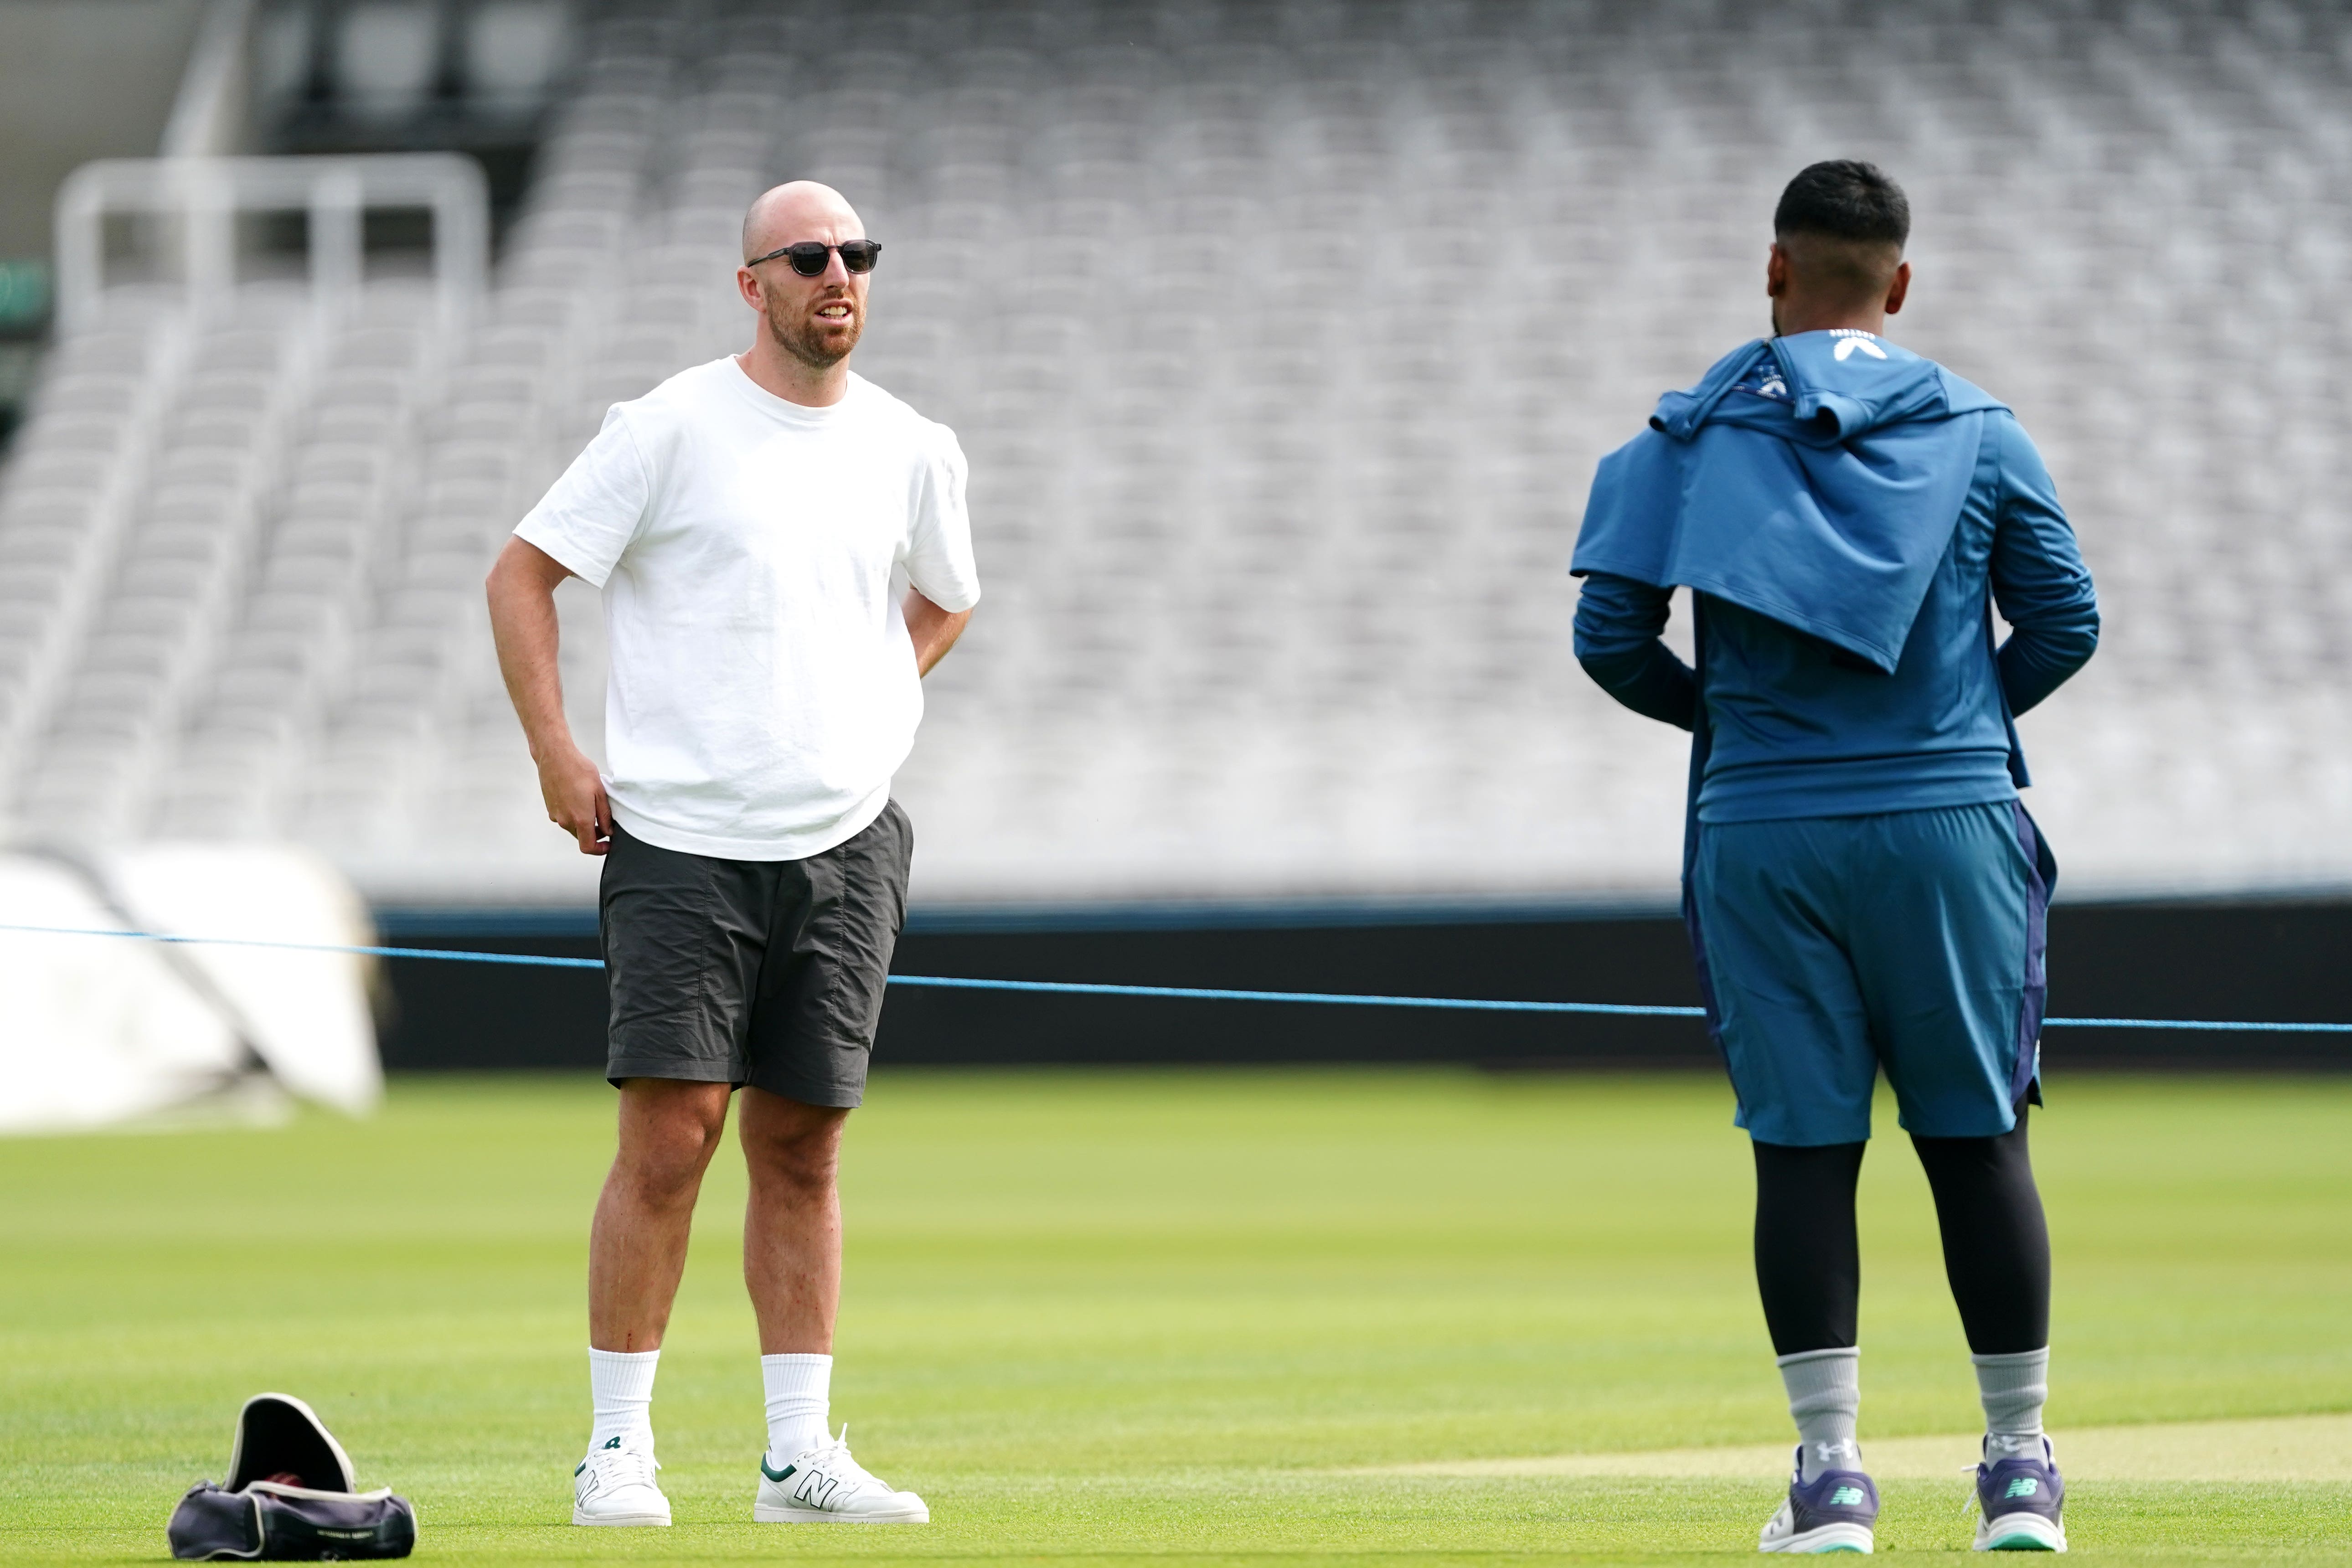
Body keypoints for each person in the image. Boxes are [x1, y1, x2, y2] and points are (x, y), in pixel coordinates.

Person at [1570, 161, 2099, 1554]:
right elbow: (2069, 621)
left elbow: (1608, 640)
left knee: (1803, 1153)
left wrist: (1734, 724)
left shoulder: (1683, 438)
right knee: (1979, 1142)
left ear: (1774, 271)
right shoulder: (1985, 433)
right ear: (1901, 283)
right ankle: (2017, 1475)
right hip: (1948, 823)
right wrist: (1957, 724)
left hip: (1766, 825)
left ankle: (1834, 1483)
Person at [485, 180, 979, 1528]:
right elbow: (521, 575)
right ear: (750, 282)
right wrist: (555, 754)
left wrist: (873, 696)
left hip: (844, 844)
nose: (841, 276)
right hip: (681, 844)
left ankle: (797, 1460)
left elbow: (948, 595)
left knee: (807, 1146)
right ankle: (616, 1451)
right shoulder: (669, 429)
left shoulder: (911, 446)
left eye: (859, 255)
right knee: (670, 1138)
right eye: (811, 256)